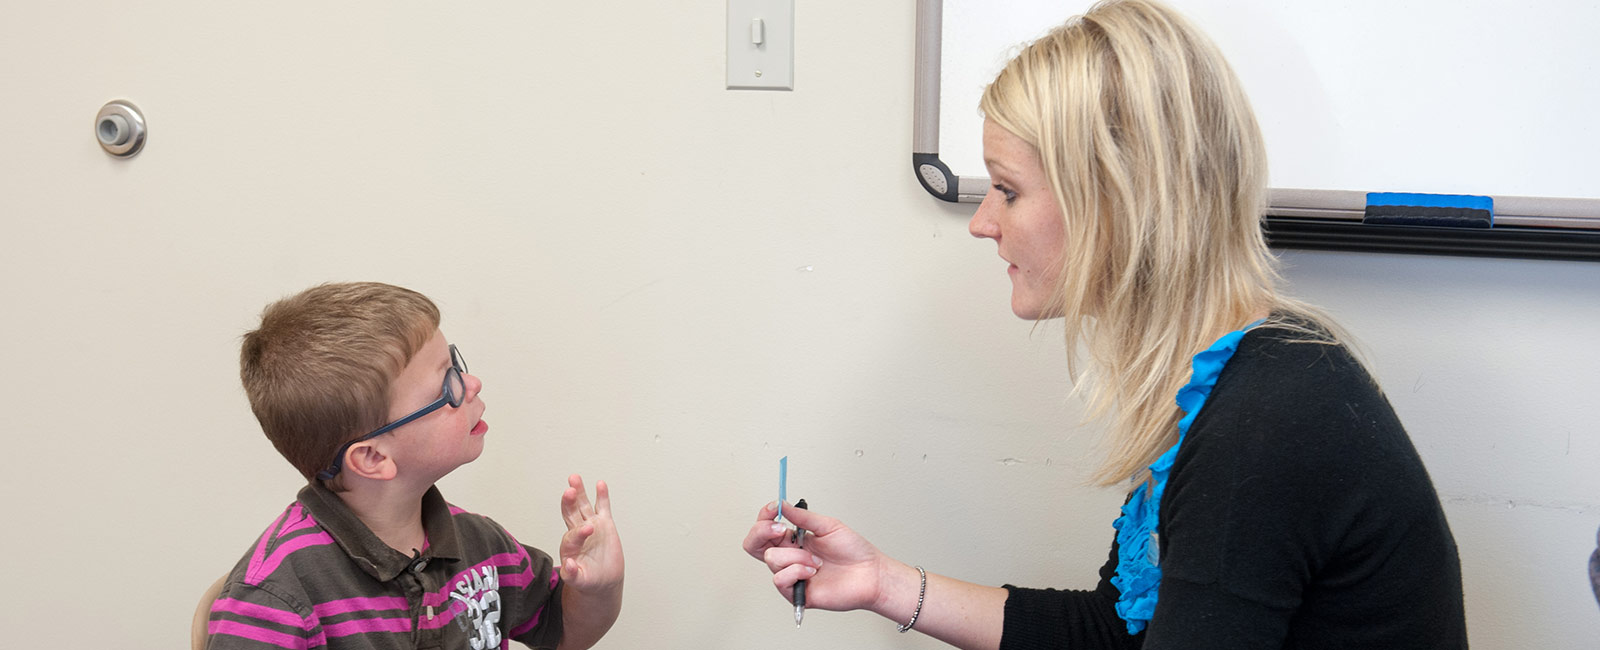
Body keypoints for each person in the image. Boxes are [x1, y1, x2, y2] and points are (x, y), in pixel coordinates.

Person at [742, 1, 1466, 648]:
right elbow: (1116, 632)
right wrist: (881, 583)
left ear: (1116, 203)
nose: (984, 224)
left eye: (1008, 189)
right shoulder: (1229, 382)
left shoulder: (1265, 427)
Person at [205, 282, 624, 649]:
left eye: (455, 363)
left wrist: (596, 588)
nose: (471, 383)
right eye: (446, 384)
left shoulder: (481, 545)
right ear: (373, 457)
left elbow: (564, 633)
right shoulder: (272, 599)